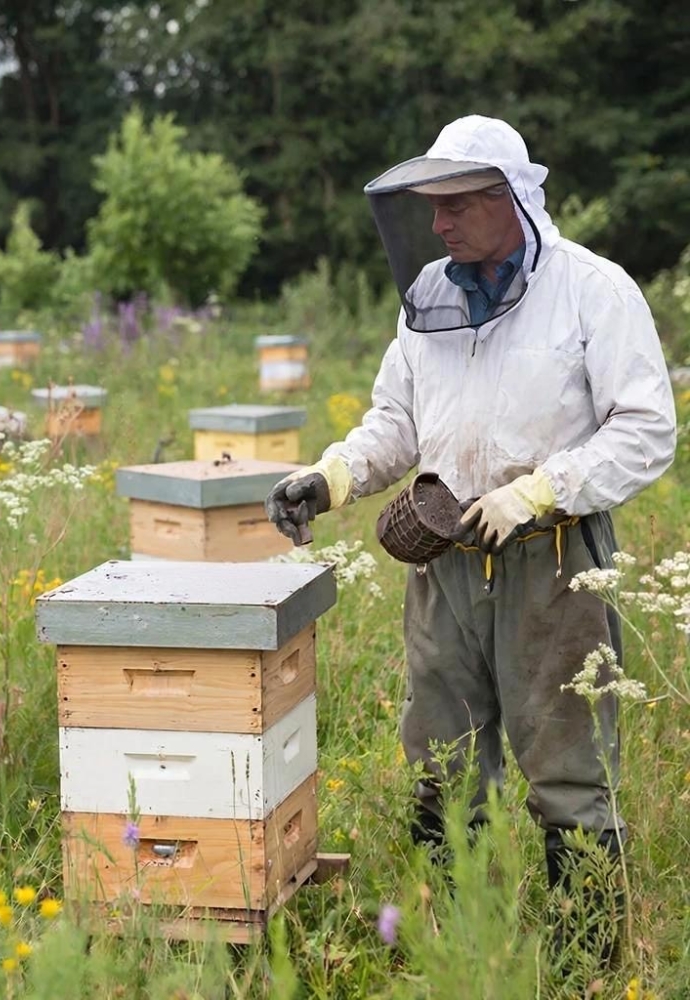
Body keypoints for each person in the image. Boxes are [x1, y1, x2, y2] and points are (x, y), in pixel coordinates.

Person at [265, 115, 676, 962]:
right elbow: (397, 421)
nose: (439, 226)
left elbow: (645, 429)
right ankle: (453, 949)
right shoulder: (432, 296)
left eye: (454, 208)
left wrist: (539, 490)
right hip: (445, 566)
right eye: (430, 210)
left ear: (508, 199)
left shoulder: (594, 291)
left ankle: (585, 970)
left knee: (567, 771)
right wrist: (332, 477)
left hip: (555, 569)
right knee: (443, 765)